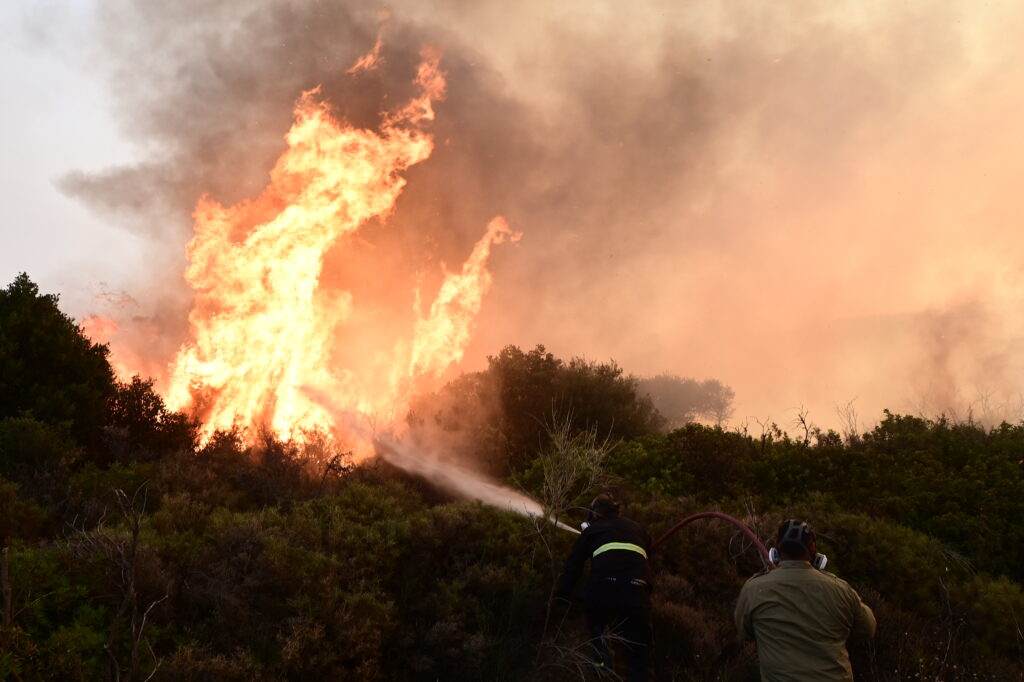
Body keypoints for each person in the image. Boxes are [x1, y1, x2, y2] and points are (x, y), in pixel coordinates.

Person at [734, 519, 876, 682]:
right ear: (813, 547)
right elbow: (868, 629)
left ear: (777, 547)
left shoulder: (753, 589)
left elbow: (745, 632)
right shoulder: (841, 589)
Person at [554, 493, 653, 682]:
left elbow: (573, 567)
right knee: (640, 653)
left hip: (603, 589)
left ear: (595, 513)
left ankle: (603, 664)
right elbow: (648, 548)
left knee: (596, 623)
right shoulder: (637, 527)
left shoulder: (591, 531)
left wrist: (561, 595)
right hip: (637, 591)